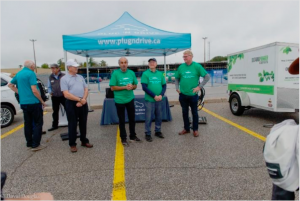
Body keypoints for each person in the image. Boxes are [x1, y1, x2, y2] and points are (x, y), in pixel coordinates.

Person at [8, 60, 46, 151]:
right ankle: (36, 144)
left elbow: (10, 85)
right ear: (32, 66)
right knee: (38, 123)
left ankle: (29, 142)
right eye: (34, 65)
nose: (34, 66)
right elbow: (34, 90)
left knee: (27, 123)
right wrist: (41, 101)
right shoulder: (31, 74)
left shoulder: (19, 74)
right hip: (33, 102)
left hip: (24, 103)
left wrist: (20, 93)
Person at [60, 59, 93, 153]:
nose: (77, 68)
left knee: (83, 122)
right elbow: (66, 94)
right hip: (71, 103)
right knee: (72, 124)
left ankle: (84, 140)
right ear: (69, 68)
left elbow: (86, 89)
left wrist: (83, 100)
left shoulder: (80, 77)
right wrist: (79, 100)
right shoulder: (64, 79)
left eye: (77, 66)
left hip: (82, 101)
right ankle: (72, 144)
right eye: (75, 67)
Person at [175, 50, 210, 137]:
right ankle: (186, 129)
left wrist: (199, 87)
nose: (184, 58)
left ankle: (195, 130)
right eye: (183, 56)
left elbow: (207, 76)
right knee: (184, 112)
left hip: (193, 96)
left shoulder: (197, 66)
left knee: (194, 113)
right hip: (183, 95)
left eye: (186, 56)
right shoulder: (181, 67)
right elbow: (176, 78)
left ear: (191, 56)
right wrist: (177, 88)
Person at [109, 57, 141, 146]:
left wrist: (132, 87)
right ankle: (123, 138)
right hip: (119, 100)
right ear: (119, 64)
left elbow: (135, 85)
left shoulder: (131, 73)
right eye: (122, 62)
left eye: (125, 62)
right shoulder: (115, 73)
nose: (124, 64)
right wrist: (124, 87)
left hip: (130, 99)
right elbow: (112, 87)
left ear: (127, 63)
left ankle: (133, 136)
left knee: (132, 119)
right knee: (122, 120)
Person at [141, 58, 166, 142]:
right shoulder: (145, 74)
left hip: (159, 99)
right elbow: (144, 87)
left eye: (153, 62)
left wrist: (161, 95)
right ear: (148, 64)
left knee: (159, 116)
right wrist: (154, 96)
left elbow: (164, 86)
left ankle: (158, 131)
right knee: (149, 117)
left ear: (156, 64)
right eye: (150, 62)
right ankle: (147, 133)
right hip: (149, 99)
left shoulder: (160, 74)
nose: (152, 63)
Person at [47, 63, 66, 131]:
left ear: (58, 69)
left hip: (63, 96)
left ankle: (73, 122)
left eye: (54, 68)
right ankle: (55, 125)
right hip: (55, 97)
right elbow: (49, 86)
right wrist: (50, 92)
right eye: (51, 68)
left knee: (68, 109)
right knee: (55, 111)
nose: (52, 69)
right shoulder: (50, 77)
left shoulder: (63, 76)